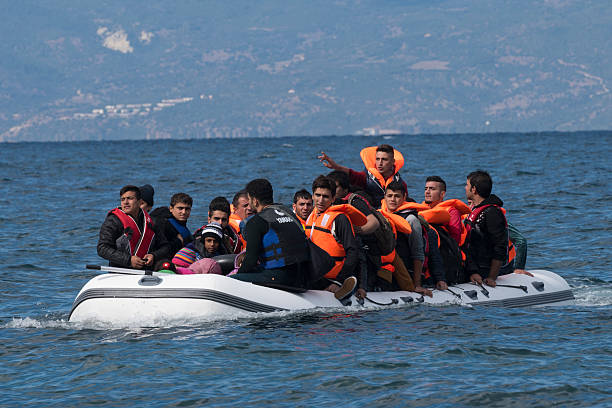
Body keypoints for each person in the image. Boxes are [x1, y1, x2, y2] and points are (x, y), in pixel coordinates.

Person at [231, 178, 312, 290]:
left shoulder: (256, 221)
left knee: (232, 280)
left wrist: (238, 275)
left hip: (281, 278)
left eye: (249, 199)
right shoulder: (288, 213)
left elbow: (251, 260)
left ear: (255, 201)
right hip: (303, 277)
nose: (249, 205)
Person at [305, 175, 365, 299]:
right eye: (317, 195)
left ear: (333, 199)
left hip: (331, 278)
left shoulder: (339, 219)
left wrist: (338, 281)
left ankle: (345, 287)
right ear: (312, 196)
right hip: (313, 274)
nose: (320, 200)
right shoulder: (311, 215)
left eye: (325, 196)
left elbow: (353, 252)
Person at [382, 181, 447, 295]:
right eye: (389, 196)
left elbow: (418, 253)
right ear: (385, 197)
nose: (393, 199)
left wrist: (417, 285)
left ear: (404, 197)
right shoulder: (380, 215)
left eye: (397, 196)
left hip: (406, 271)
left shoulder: (411, 220)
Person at [327, 170, 381, 298]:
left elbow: (374, 222)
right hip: (340, 253)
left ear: (345, 189)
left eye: (335, 187)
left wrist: (357, 230)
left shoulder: (354, 202)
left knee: (357, 247)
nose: (331, 190)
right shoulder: (330, 203)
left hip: (366, 250)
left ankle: (361, 286)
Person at [97, 185, 170, 269]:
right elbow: (102, 248)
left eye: (130, 198)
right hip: (122, 271)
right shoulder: (113, 221)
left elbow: (165, 247)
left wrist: (154, 256)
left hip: (147, 270)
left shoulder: (152, 221)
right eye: (122, 199)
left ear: (140, 202)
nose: (125, 202)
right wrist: (128, 260)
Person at [463, 170, 513, 287]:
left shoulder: (492, 213)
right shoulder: (474, 210)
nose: (465, 188)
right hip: (472, 266)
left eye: (467, 185)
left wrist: (491, 277)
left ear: (474, 189)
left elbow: (500, 246)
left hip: (484, 269)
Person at [318, 144, 407, 208]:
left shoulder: (400, 182)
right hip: (373, 212)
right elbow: (353, 174)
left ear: (392, 162)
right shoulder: (367, 177)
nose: (380, 163)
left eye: (384, 159)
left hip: (392, 211)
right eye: (377, 159)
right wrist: (336, 167)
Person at [423, 176, 470, 244]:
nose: (427, 192)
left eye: (432, 189)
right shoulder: (421, 210)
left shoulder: (451, 212)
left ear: (442, 194)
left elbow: (455, 240)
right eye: (426, 189)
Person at [150, 193, 193, 258]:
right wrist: (178, 242)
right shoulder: (163, 224)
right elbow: (161, 248)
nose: (184, 212)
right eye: (180, 208)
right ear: (171, 208)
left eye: (187, 209)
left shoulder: (182, 226)